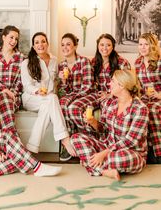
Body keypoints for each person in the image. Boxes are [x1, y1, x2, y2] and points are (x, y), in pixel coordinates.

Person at [71, 70, 149, 180]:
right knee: (75, 138)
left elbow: (131, 140)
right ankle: (103, 171)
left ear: (121, 85)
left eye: (112, 81)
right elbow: (104, 130)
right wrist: (93, 122)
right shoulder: (109, 103)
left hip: (131, 152)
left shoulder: (140, 109)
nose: (109, 84)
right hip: (107, 146)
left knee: (124, 158)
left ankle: (89, 163)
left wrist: (103, 154)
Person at [21, 32, 76, 157]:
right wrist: (37, 91)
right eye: (37, 42)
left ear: (47, 44)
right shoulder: (26, 63)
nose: (40, 44)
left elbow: (56, 80)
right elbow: (26, 85)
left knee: (48, 104)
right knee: (52, 98)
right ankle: (65, 139)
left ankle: (32, 147)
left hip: (48, 99)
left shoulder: (54, 60)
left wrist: (61, 78)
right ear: (34, 47)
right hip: (31, 98)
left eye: (43, 41)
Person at [58, 33, 94, 161]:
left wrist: (72, 96)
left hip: (89, 95)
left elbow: (88, 87)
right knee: (62, 103)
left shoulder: (84, 62)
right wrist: (63, 81)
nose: (65, 47)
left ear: (75, 46)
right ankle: (69, 141)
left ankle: (89, 138)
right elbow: (65, 91)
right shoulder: (62, 66)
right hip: (72, 96)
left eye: (68, 44)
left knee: (72, 107)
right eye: (62, 45)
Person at [135, 33, 161, 164]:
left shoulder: (159, 61)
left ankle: (158, 152)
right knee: (137, 110)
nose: (143, 47)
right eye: (140, 44)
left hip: (159, 98)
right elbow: (138, 85)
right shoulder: (138, 62)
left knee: (151, 110)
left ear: (152, 46)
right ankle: (143, 150)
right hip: (145, 97)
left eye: (146, 44)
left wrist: (158, 94)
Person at [0, 25, 24, 112]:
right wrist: (5, 90)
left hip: (14, 95)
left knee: (5, 102)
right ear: (4, 37)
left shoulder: (21, 57)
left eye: (16, 39)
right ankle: (9, 126)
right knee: (3, 99)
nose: (14, 41)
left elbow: (20, 80)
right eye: (11, 37)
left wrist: (12, 93)